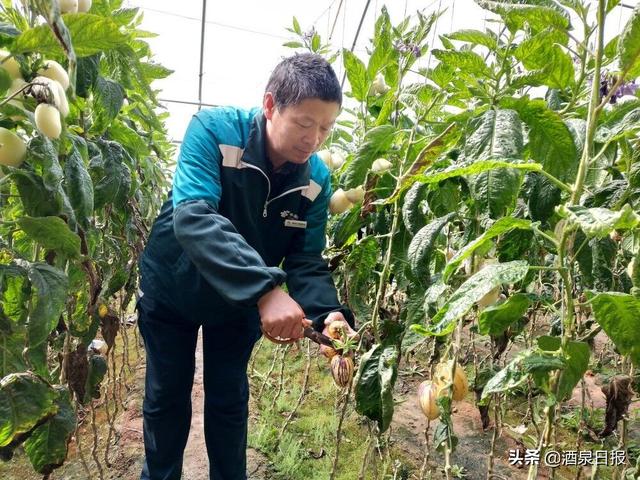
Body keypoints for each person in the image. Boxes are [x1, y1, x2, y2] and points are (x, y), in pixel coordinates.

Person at [135, 53, 356, 480]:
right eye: (304, 123)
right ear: (270, 105)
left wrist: (327, 313)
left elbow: (305, 258)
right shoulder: (214, 132)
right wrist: (265, 290)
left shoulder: (315, 181)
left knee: (229, 399)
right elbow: (193, 217)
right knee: (166, 396)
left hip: (237, 303)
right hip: (173, 289)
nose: (313, 139)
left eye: (326, 128)